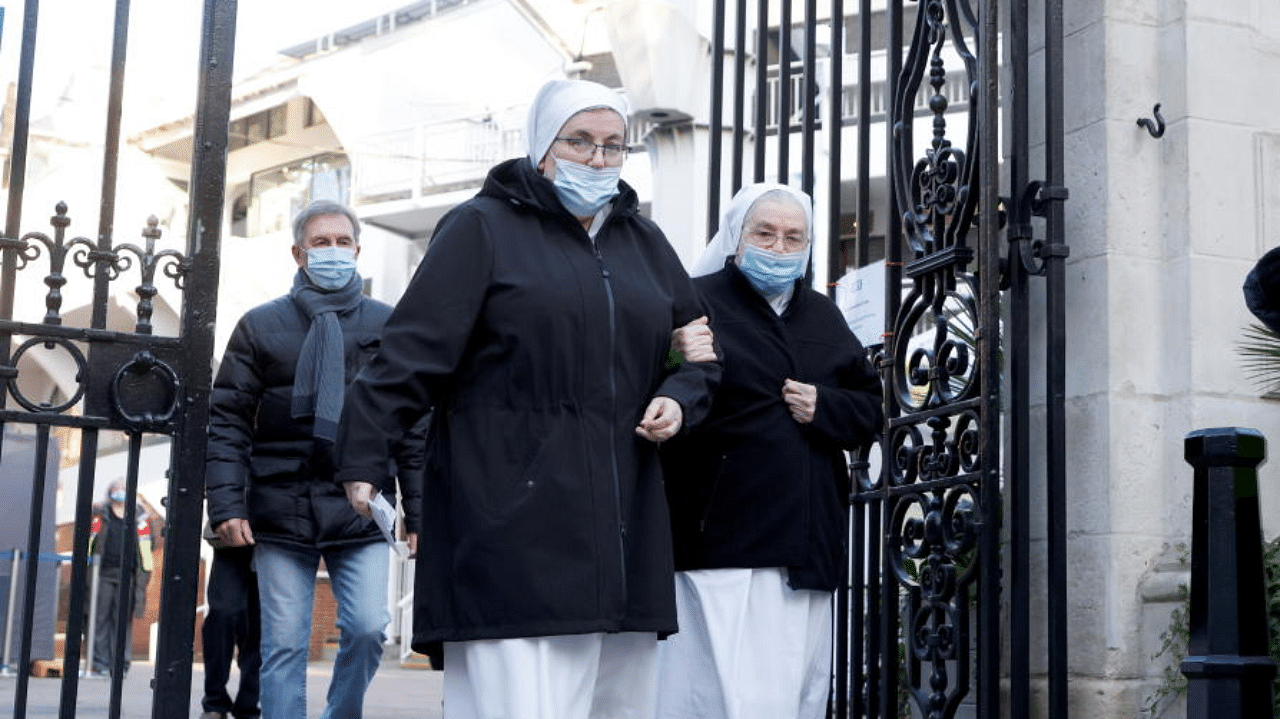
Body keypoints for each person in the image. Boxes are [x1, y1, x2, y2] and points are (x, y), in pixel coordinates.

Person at [335, 78, 721, 719]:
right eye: (580, 142)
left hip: (622, 522)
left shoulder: (646, 246)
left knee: (617, 703)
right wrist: (364, 459)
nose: (597, 160)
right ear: (543, 144)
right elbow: (410, 354)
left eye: (612, 146)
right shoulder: (480, 229)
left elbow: (696, 349)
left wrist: (681, 396)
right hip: (509, 512)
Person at [655, 183, 884, 719]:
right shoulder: (695, 300)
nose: (779, 248)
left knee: (792, 689)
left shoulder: (823, 315)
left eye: (793, 237)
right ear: (737, 237)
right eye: (765, 234)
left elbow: (868, 407)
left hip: (804, 540)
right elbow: (659, 383)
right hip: (720, 533)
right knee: (710, 690)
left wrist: (824, 407)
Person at [204, 199, 424, 719]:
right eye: (320, 243)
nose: (332, 252)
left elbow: (412, 425)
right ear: (299, 254)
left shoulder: (388, 324)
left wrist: (419, 506)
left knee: (370, 628)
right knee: (283, 645)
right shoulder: (260, 326)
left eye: (341, 242)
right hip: (279, 507)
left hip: (362, 507)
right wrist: (227, 505)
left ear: (358, 251)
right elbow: (229, 421)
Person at [86, 479, 153, 677]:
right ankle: (100, 663)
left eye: (124, 489)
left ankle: (120, 664)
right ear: (109, 492)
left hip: (128, 575)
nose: (119, 492)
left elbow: (147, 550)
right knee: (99, 619)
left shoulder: (141, 517)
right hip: (103, 573)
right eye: (115, 488)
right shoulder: (100, 515)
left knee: (122, 620)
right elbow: (89, 542)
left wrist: (143, 578)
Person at [198, 524, 260, 719]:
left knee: (259, 626)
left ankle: (249, 706)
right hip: (233, 533)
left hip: (276, 535)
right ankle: (215, 701)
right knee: (221, 615)